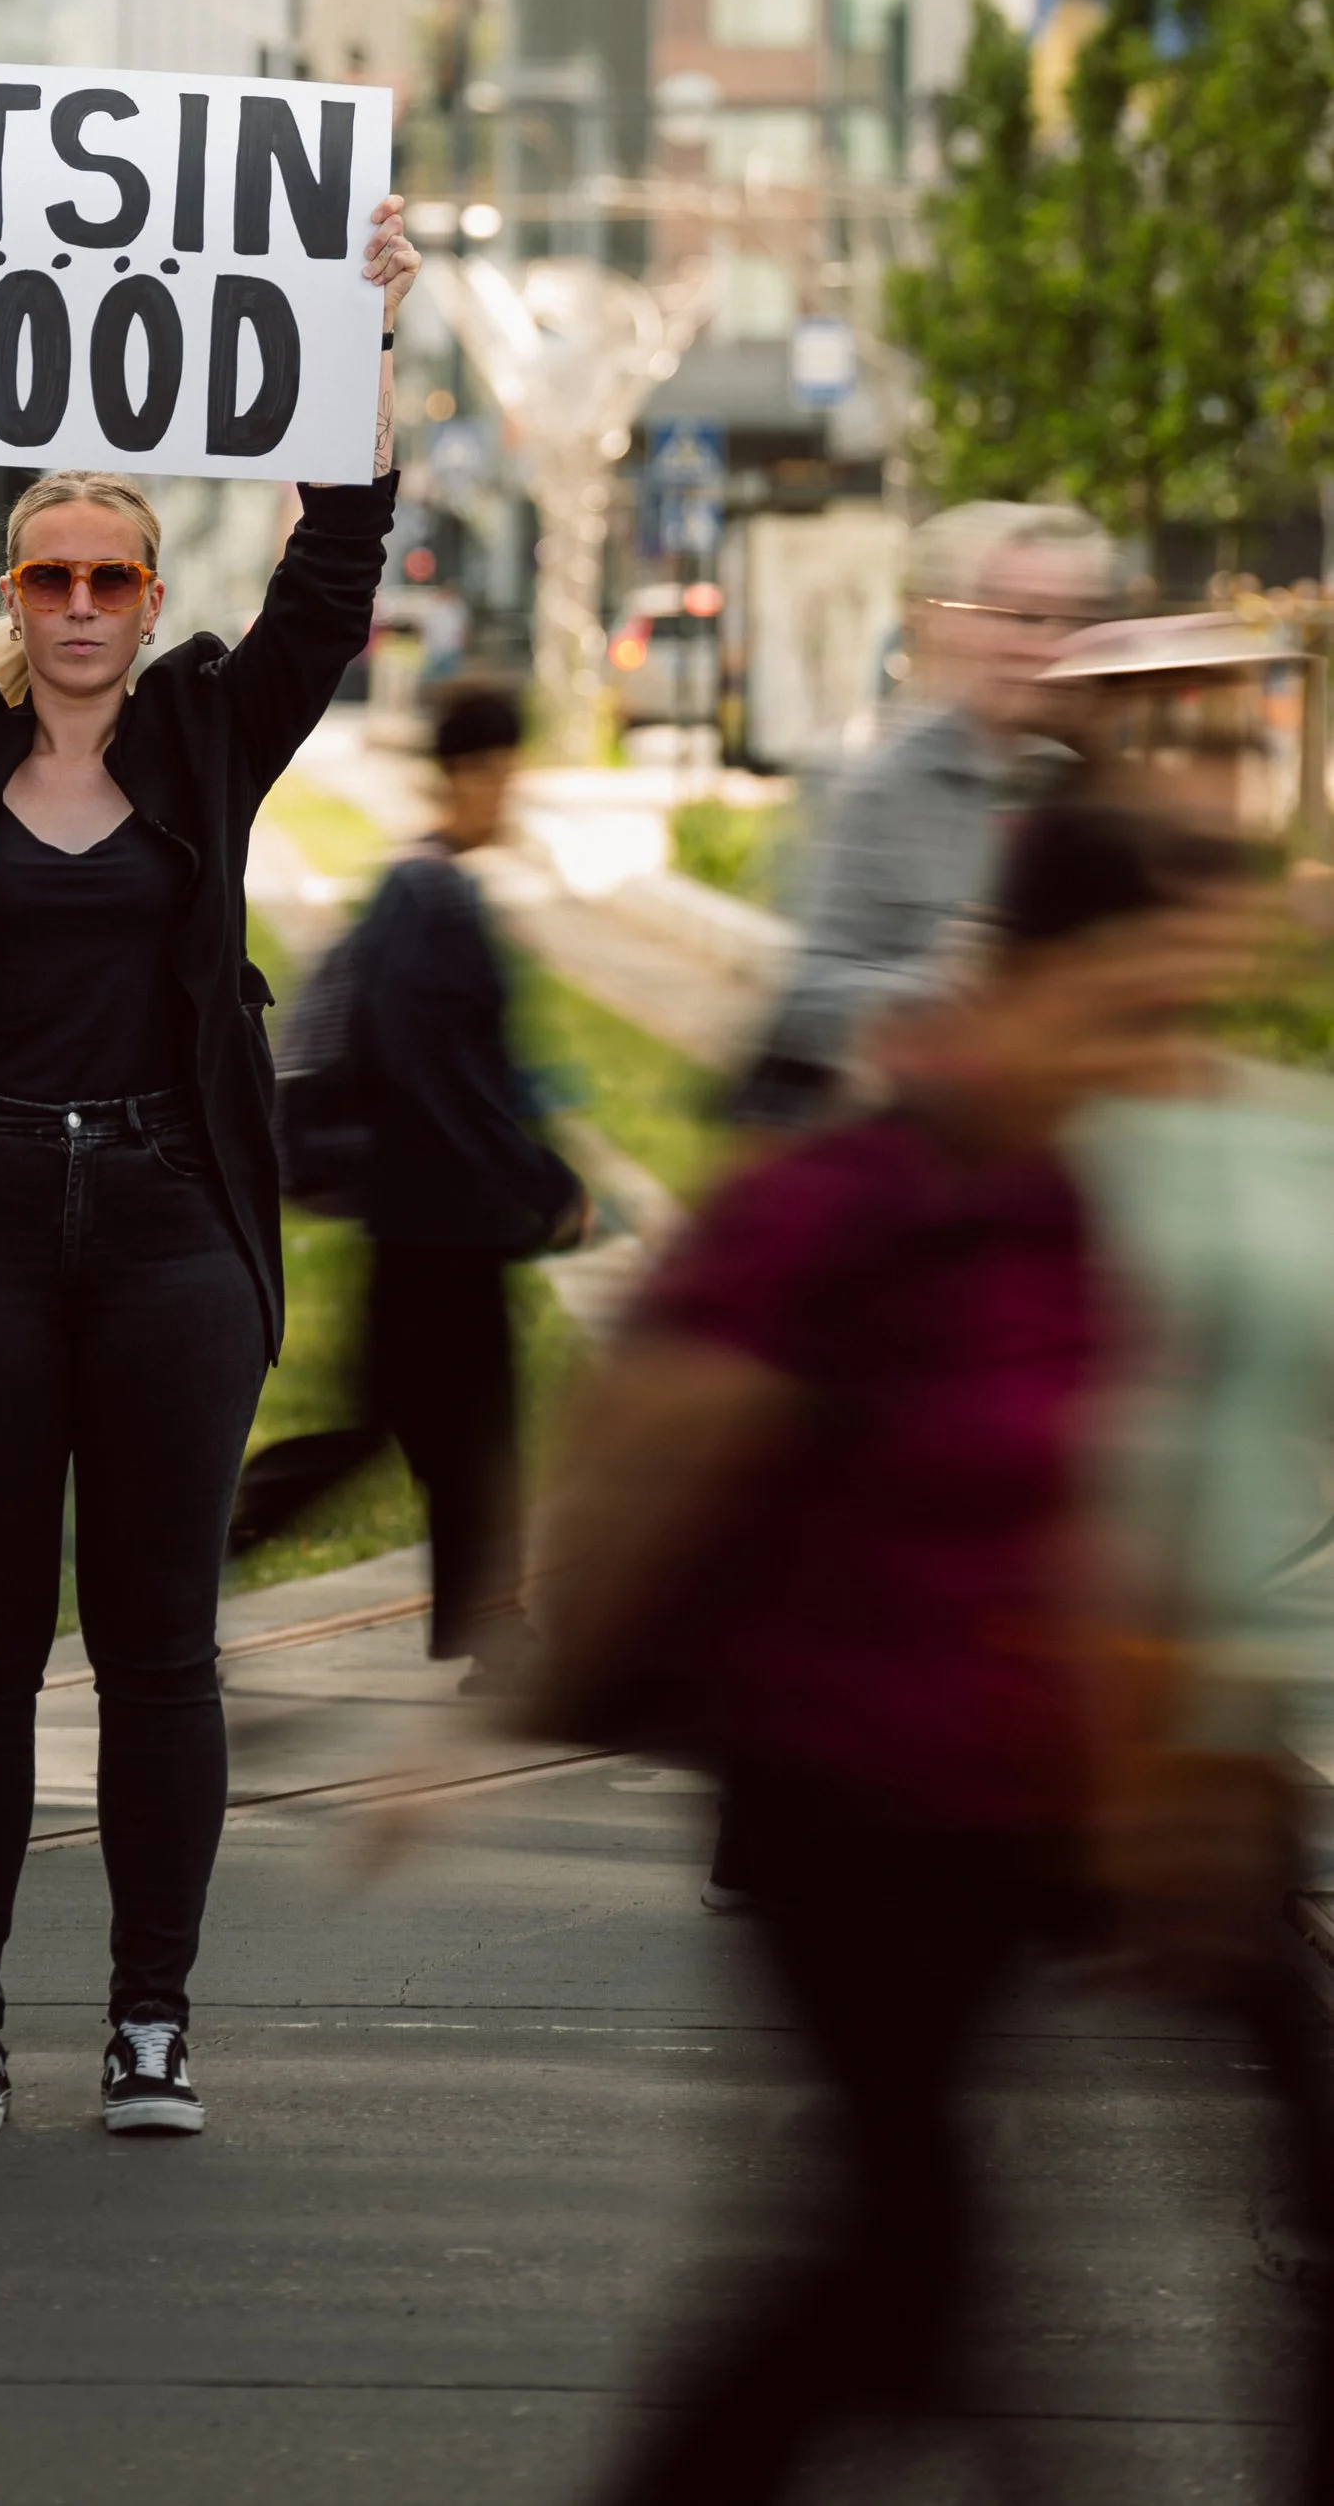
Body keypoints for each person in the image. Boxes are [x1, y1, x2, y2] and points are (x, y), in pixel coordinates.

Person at [0, 185, 415, 2136]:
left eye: (116, 578)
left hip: (164, 1236)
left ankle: (148, 2022)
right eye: (51, 581)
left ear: (148, 590)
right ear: (12, 594)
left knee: (155, 1649)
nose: (88, 611)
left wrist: (365, 323)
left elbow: (334, 562)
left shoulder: (209, 734)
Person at [528, 798, 1256, 2506]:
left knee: (919, 2244)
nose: (1174, 1054)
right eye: (1141, 1008)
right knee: (907, 2237)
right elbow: (647, 1432)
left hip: (1006, 1795)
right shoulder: (861, 1189)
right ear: (1029, 982)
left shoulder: (1077, 1211)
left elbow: (1088, 1520)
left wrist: (1155, 1811)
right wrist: (505, 1710)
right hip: (834, 1801)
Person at [229, 674, 583, 1679]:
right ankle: (185, 1561)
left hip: (430, 1208)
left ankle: (495, 1631)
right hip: (433, 1214)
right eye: (506, 774)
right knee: (421, 1428)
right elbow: (440, 1075)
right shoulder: (430, 898)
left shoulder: (428, 888)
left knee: (447, 1428)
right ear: (471, 774)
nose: (512, 795)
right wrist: (543, 1182)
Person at [733, 498, 1114, 1130]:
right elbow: (809, 993)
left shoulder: (1089, 785)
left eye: (1075, 620)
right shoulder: (877, 787)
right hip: (930, 1160)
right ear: (957, 626)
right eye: (1023, 617)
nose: (1047, 644)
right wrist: (949, 984)